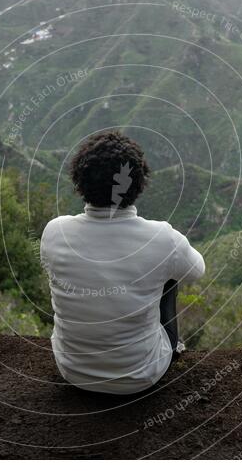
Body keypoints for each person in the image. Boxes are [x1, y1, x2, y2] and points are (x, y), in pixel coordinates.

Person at [40, 131, 205, 395]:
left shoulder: (54, 232)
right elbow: (197, 271)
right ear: (138, 183)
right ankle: (172, 348)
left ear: (79, 180)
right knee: (171, 271)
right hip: (142, 374)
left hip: (73, 370)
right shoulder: (162, 238)